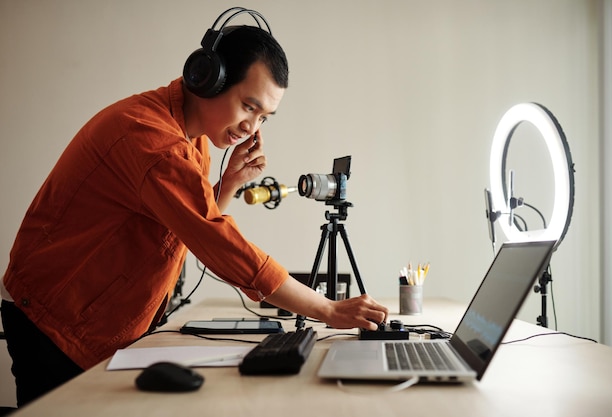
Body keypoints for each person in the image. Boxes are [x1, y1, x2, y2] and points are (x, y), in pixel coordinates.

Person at [0, 10, 389, 408]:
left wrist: (230, 184)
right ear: (207, 76)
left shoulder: (194, 137)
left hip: (83, 313)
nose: (252, 128)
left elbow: (182, 227)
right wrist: (327, 308)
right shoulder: (152, 140)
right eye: (248, 106)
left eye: (264, 117)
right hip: (51, 318)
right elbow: (215, 240)